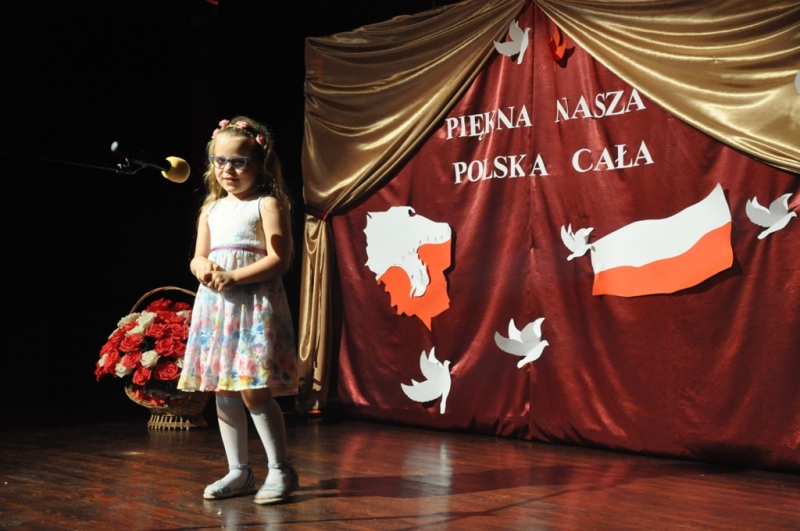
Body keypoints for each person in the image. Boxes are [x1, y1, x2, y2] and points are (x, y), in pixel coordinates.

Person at [178, 116, 298, 504]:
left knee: (253, 390)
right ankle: (239, 471)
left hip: (254, 307)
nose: (227, 170)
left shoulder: (266, 204)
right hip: (218, 309)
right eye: (220, 161)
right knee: (223, 388)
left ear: (259, 164)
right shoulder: (211, 209)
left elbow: (279, 259)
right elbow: (198, 256)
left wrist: (235, 276)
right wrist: (203, 268)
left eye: (238, 162)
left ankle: (279, 469)